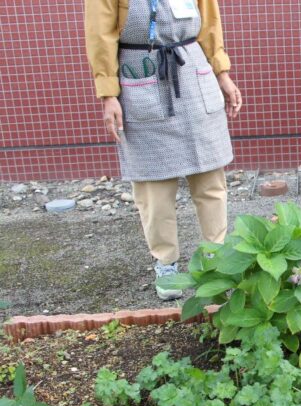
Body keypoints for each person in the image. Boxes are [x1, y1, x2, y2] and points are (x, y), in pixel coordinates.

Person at [85, 0, 242, 300]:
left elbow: (209, 23)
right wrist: (108, 94)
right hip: (141, 74)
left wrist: (222, 72)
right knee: (153, 189)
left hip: (193, 72)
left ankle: (215, 257)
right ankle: (166, 262)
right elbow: (100, 34)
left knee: (210, 180)